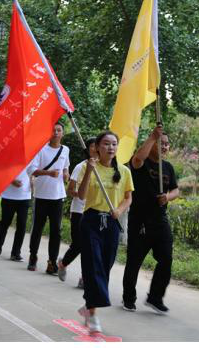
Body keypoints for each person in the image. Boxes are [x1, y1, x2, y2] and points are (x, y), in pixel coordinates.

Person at [76, 131, 134, 333]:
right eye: (106, 144)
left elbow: (128, 197)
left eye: (114, 144)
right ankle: (93, 314)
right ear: (97, 147)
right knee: (93, 266)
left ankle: (88, 305)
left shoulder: (124, 171)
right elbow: (81, 195)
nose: (110, 147)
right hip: (91, 221)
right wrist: (90, 172)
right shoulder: (88, 167)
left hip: (111, 222)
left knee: (105, 267)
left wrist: (119, 210)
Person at [122, 126, 178, 314]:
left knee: (166, 259)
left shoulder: (168, 167)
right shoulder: (141, 162)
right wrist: (153, 137)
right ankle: (128, 298)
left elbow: (176, 190)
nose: (164, 147)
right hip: (140, 220)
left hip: (160, 220)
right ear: (153, 143)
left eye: (167, 144)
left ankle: (155, 297)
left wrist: (167, 197)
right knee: (134, 261)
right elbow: (137, 159)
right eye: (161, 143)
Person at [27, 123, 70, 273]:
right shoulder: (41, 149)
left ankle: (52, 262)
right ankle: (33, 256)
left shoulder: (65, 150)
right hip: (41, 195)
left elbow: (66, 167)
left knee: (56, 231)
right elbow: (31, 170)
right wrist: (49, 173)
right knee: (37, 228)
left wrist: (66, 173)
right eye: (53, 130)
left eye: (59, 130)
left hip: (58, 196)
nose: (56, 133)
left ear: (63, 133)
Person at [58, 137, 98, 289]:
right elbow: (70, 190)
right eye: (92, 146)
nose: (95, 149)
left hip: (94, 211)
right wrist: (81, 193)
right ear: (87, 149)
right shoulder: (81, 167)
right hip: (79, 211)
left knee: (91, 247)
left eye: (97, 146)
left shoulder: (104, 167)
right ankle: (63, 263)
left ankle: (84, 277)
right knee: (79, 244)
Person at [0, 159, 37, 261]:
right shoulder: (10, 156)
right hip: (9, 196)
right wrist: (12, 181)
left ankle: (16, 253)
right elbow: (1, 172)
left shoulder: (32, 157)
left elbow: (33, 172)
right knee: (5, 222)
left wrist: (32, 181)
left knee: (22, 226)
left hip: (25, 197)